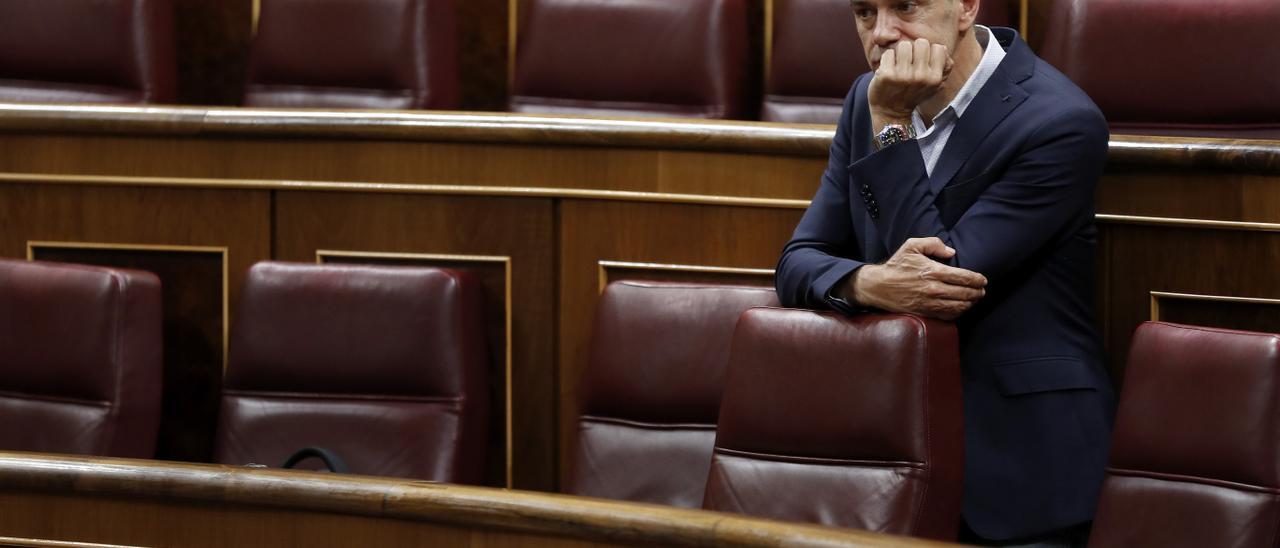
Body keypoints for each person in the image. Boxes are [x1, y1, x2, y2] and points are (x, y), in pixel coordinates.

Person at [774, 0, 1115, 545]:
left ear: (966, 7)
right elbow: (797, 261)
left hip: (1021, 465)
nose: (883, 34)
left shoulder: (1059, 121)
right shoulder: (866, 101)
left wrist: (890, 126)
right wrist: (866, 282)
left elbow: (941, 281)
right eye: (864, 13)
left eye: (905, 6)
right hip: (886, 454)